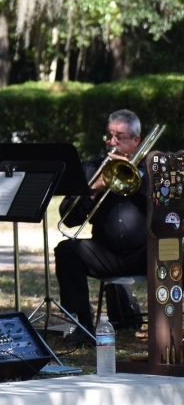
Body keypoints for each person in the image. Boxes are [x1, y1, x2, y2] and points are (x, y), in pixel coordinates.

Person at [55, 109, 148, 344]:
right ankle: (83, 325)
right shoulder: (91, 169)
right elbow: (68, 217)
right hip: (105, 253)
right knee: (66, 251)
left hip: (144, 253)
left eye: (120, 137)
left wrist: (140, 181)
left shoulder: (152, 170)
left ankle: (168, 324)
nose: (112, 142)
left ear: (136, 141)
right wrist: (95, 189)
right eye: (109, 135)